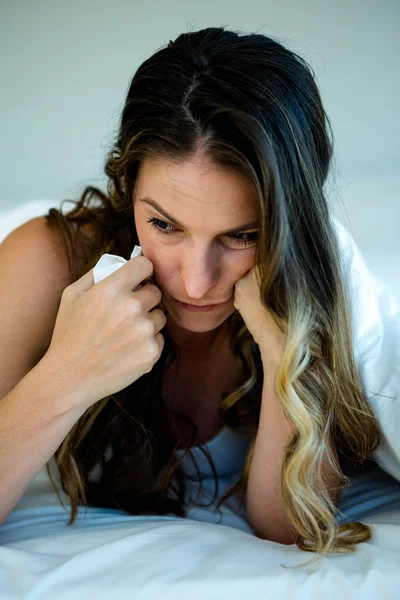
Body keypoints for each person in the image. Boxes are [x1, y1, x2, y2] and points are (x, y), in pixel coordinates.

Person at [1, 26, 400, 569]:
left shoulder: (308, 280)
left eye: (242, 235)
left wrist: (285, 352)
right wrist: (69, 372)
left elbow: (287, 528)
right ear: (126, 185)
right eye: (165, 224)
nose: (195, 282)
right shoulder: (49, 262)